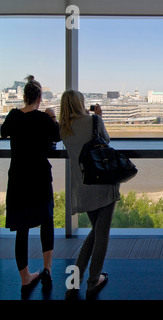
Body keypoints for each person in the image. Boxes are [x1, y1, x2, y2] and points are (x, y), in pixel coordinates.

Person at [0, 75, 60, 294]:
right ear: (40, 98)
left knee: (22, 229)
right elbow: (58, 134)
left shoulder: (14, 116)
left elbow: (3, 131)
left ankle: (25, 277)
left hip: (18, 178)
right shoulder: (43, 119)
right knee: (47, 221)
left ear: (24, 97)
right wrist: (52, 116)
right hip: (40, 177)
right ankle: (47, 269)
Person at [59, 90, 120, 299]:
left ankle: (74, 283)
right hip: (103, 184)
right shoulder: (94, 121)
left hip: (83, 188)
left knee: (95, 232)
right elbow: (107, 141)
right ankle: (93, 282)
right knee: (101, 235)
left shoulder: (63, 128)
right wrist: (99, 117)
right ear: (80, 103)